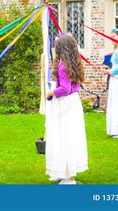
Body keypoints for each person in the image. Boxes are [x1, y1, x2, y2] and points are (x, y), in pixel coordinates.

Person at [45, 34, 88, 185]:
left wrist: (50, 93)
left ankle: (69, 177)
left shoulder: (63, 65)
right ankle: (65, 172)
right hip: (73, 103)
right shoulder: (73, 63)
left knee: (65, 137)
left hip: (66, 104)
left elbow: (65, 89)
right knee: (69, 136)